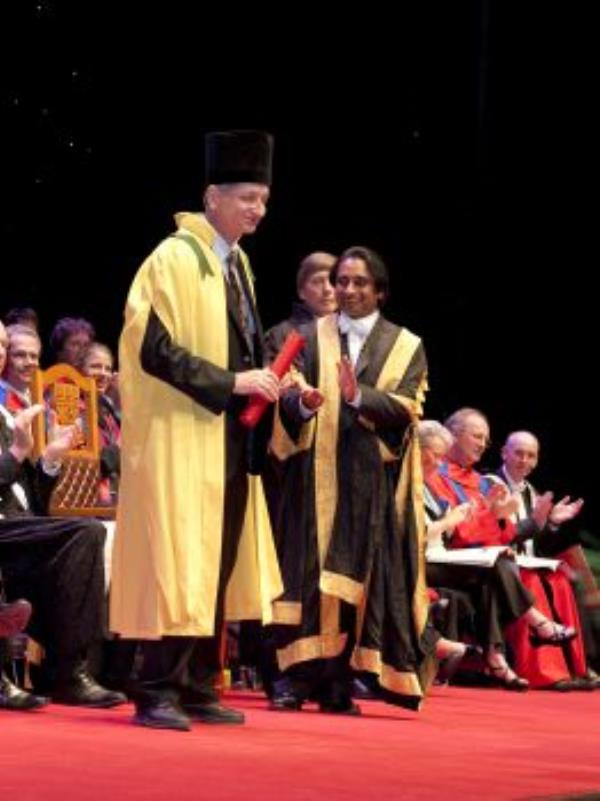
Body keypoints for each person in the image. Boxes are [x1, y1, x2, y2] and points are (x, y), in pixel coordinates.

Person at [110, 129, 285, 731]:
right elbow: (152, 348)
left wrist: (275, 384)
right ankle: (154, 685)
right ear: (212, 197)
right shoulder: (173, 257)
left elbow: (244, 348)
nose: (258, 210)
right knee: (179, 559)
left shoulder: (239, 266)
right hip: (182, 436)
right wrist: (234, 383)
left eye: (263, 199)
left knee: (216, 564)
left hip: (230, 440)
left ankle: (195, 683)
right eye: (247, 198)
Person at [270, 245, 433, 714]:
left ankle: (338, 681)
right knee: (304, 578)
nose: (348, 290)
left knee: (356, 580)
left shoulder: (406, 345)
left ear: (379, 291)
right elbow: (286, 395)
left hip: (368, 481)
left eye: (360, 282)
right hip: (312, 478)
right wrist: (304, 404)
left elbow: (406, 408)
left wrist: (357, 396)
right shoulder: (302, 336)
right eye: (341, 281)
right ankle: (293, 679)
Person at [0, 321, 126, 710]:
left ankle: (70, 672)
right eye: (6, 348)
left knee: (88, 532)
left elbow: (33, 496)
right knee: (83, 531)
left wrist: (50, 458)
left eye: (4, 345)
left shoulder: (6, 411)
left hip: (15, 525)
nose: (2, 353)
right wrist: (18, 453)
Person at [427, 408, 593, 690]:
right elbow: (460, 534)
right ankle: (532, 630)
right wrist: (494, 516)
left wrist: (536, 520)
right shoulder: (435, 475)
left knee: (511, 567)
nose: (482, 444)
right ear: (453, 436)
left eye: (486, 439)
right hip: (439, 557)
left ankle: (507, 656)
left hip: (478, 561)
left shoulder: (480, 482)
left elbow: (501, 536)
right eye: (477, 436)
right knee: (499, 565)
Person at [264, 251, 337, 359]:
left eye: (333, 281)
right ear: (301, 292)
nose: (327, 289)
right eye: (317, 282)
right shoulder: (281, 334)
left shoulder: (350, 330)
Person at [0, 324, 41, 413]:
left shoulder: (42, 398)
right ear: (5, 357)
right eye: (20, 355)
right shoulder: (1, 397)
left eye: (34, 356)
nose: (29, 362)